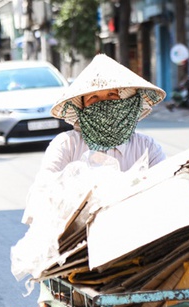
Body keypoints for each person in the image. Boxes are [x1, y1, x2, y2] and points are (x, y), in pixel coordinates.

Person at [22, 54, 166, 225]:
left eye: (112, 95)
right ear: (82, 108)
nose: (103, 104)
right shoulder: (66, 145)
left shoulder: (148, 148)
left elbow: (165, 194)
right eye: (93, 98)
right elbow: (41, 192)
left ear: (127, 104)